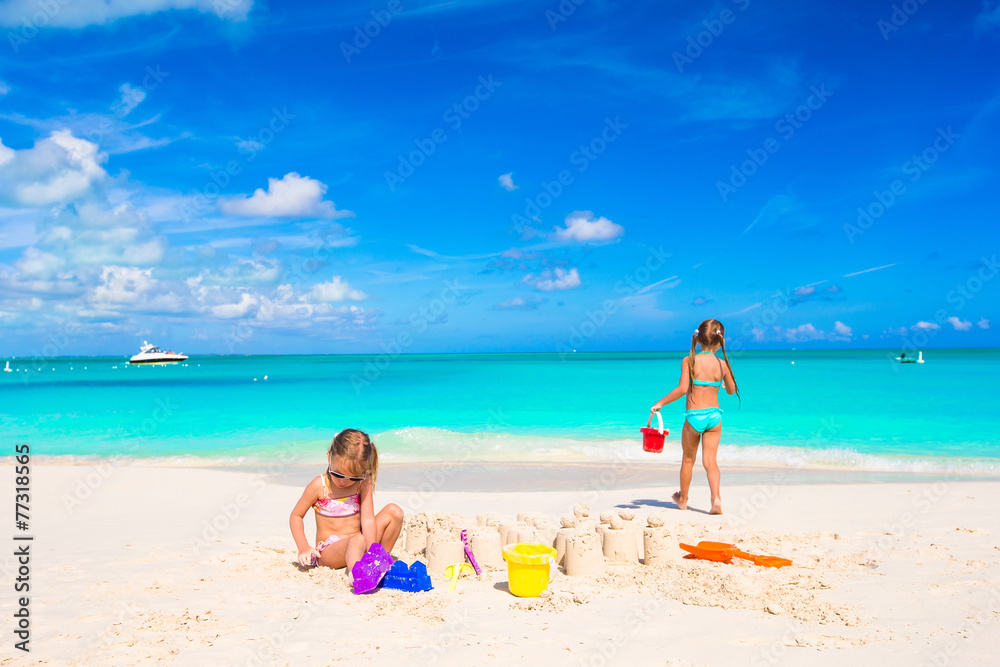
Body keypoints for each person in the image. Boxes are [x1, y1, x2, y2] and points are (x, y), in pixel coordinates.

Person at [650, 319, 739, 515]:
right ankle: (715, 497)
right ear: (720, 341)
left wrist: (660, 403)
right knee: (711, 462)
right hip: (715, 416)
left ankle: (683, 500)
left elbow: (682, 389)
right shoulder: (723, 364)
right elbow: (731, 391)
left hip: (694, 417)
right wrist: (723, 383)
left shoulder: (689, 360)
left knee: (688, 460)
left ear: (698, 339)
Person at [289, 429, 404, 573]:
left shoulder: (363, 482)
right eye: (338, 474)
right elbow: (296, 516)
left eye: (353, 477)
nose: (344, 482)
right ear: (329, 457)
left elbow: (368, 519)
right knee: (357, 540)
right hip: (330, 552)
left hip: (359, 542)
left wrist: (371, 550)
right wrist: (303, 547)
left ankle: (379, 563)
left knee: (394, 512)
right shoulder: (320, 486)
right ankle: (356, 575)